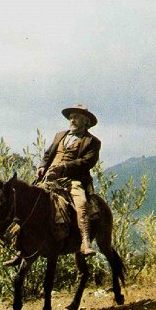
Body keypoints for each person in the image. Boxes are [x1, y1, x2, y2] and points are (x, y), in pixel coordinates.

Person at [37, 104, 100, 256]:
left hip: (73, 180)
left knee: (82, 204)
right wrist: (42, 166)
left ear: (85, 121)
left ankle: (85, 242)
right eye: (71, 117)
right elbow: (48, 154)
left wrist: (64, 167)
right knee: (29, 200)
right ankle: (21, 246)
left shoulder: (92, 142)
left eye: (76, 117)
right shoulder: (60, 135)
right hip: (49, 178)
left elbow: (87, 162)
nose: (72, 120)